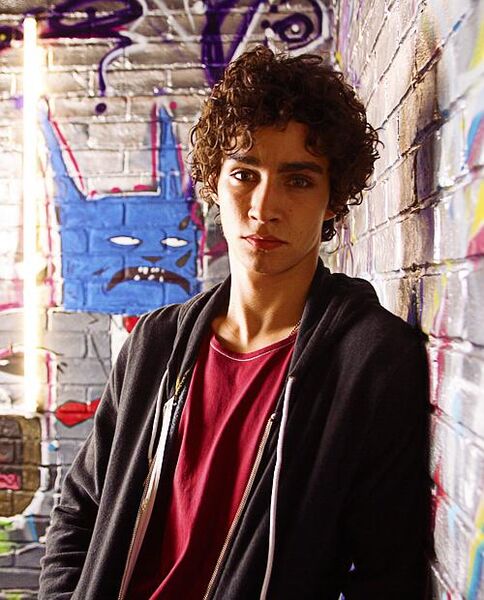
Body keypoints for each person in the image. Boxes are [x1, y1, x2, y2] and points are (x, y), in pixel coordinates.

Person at [39, 46, 431, 599]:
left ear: (333, 199)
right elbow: (79, 511)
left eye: (298, 180)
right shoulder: (155, 343)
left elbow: (386, 572)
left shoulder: (369, 361)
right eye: (245, 174)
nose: (264, 207)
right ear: (214, 184)